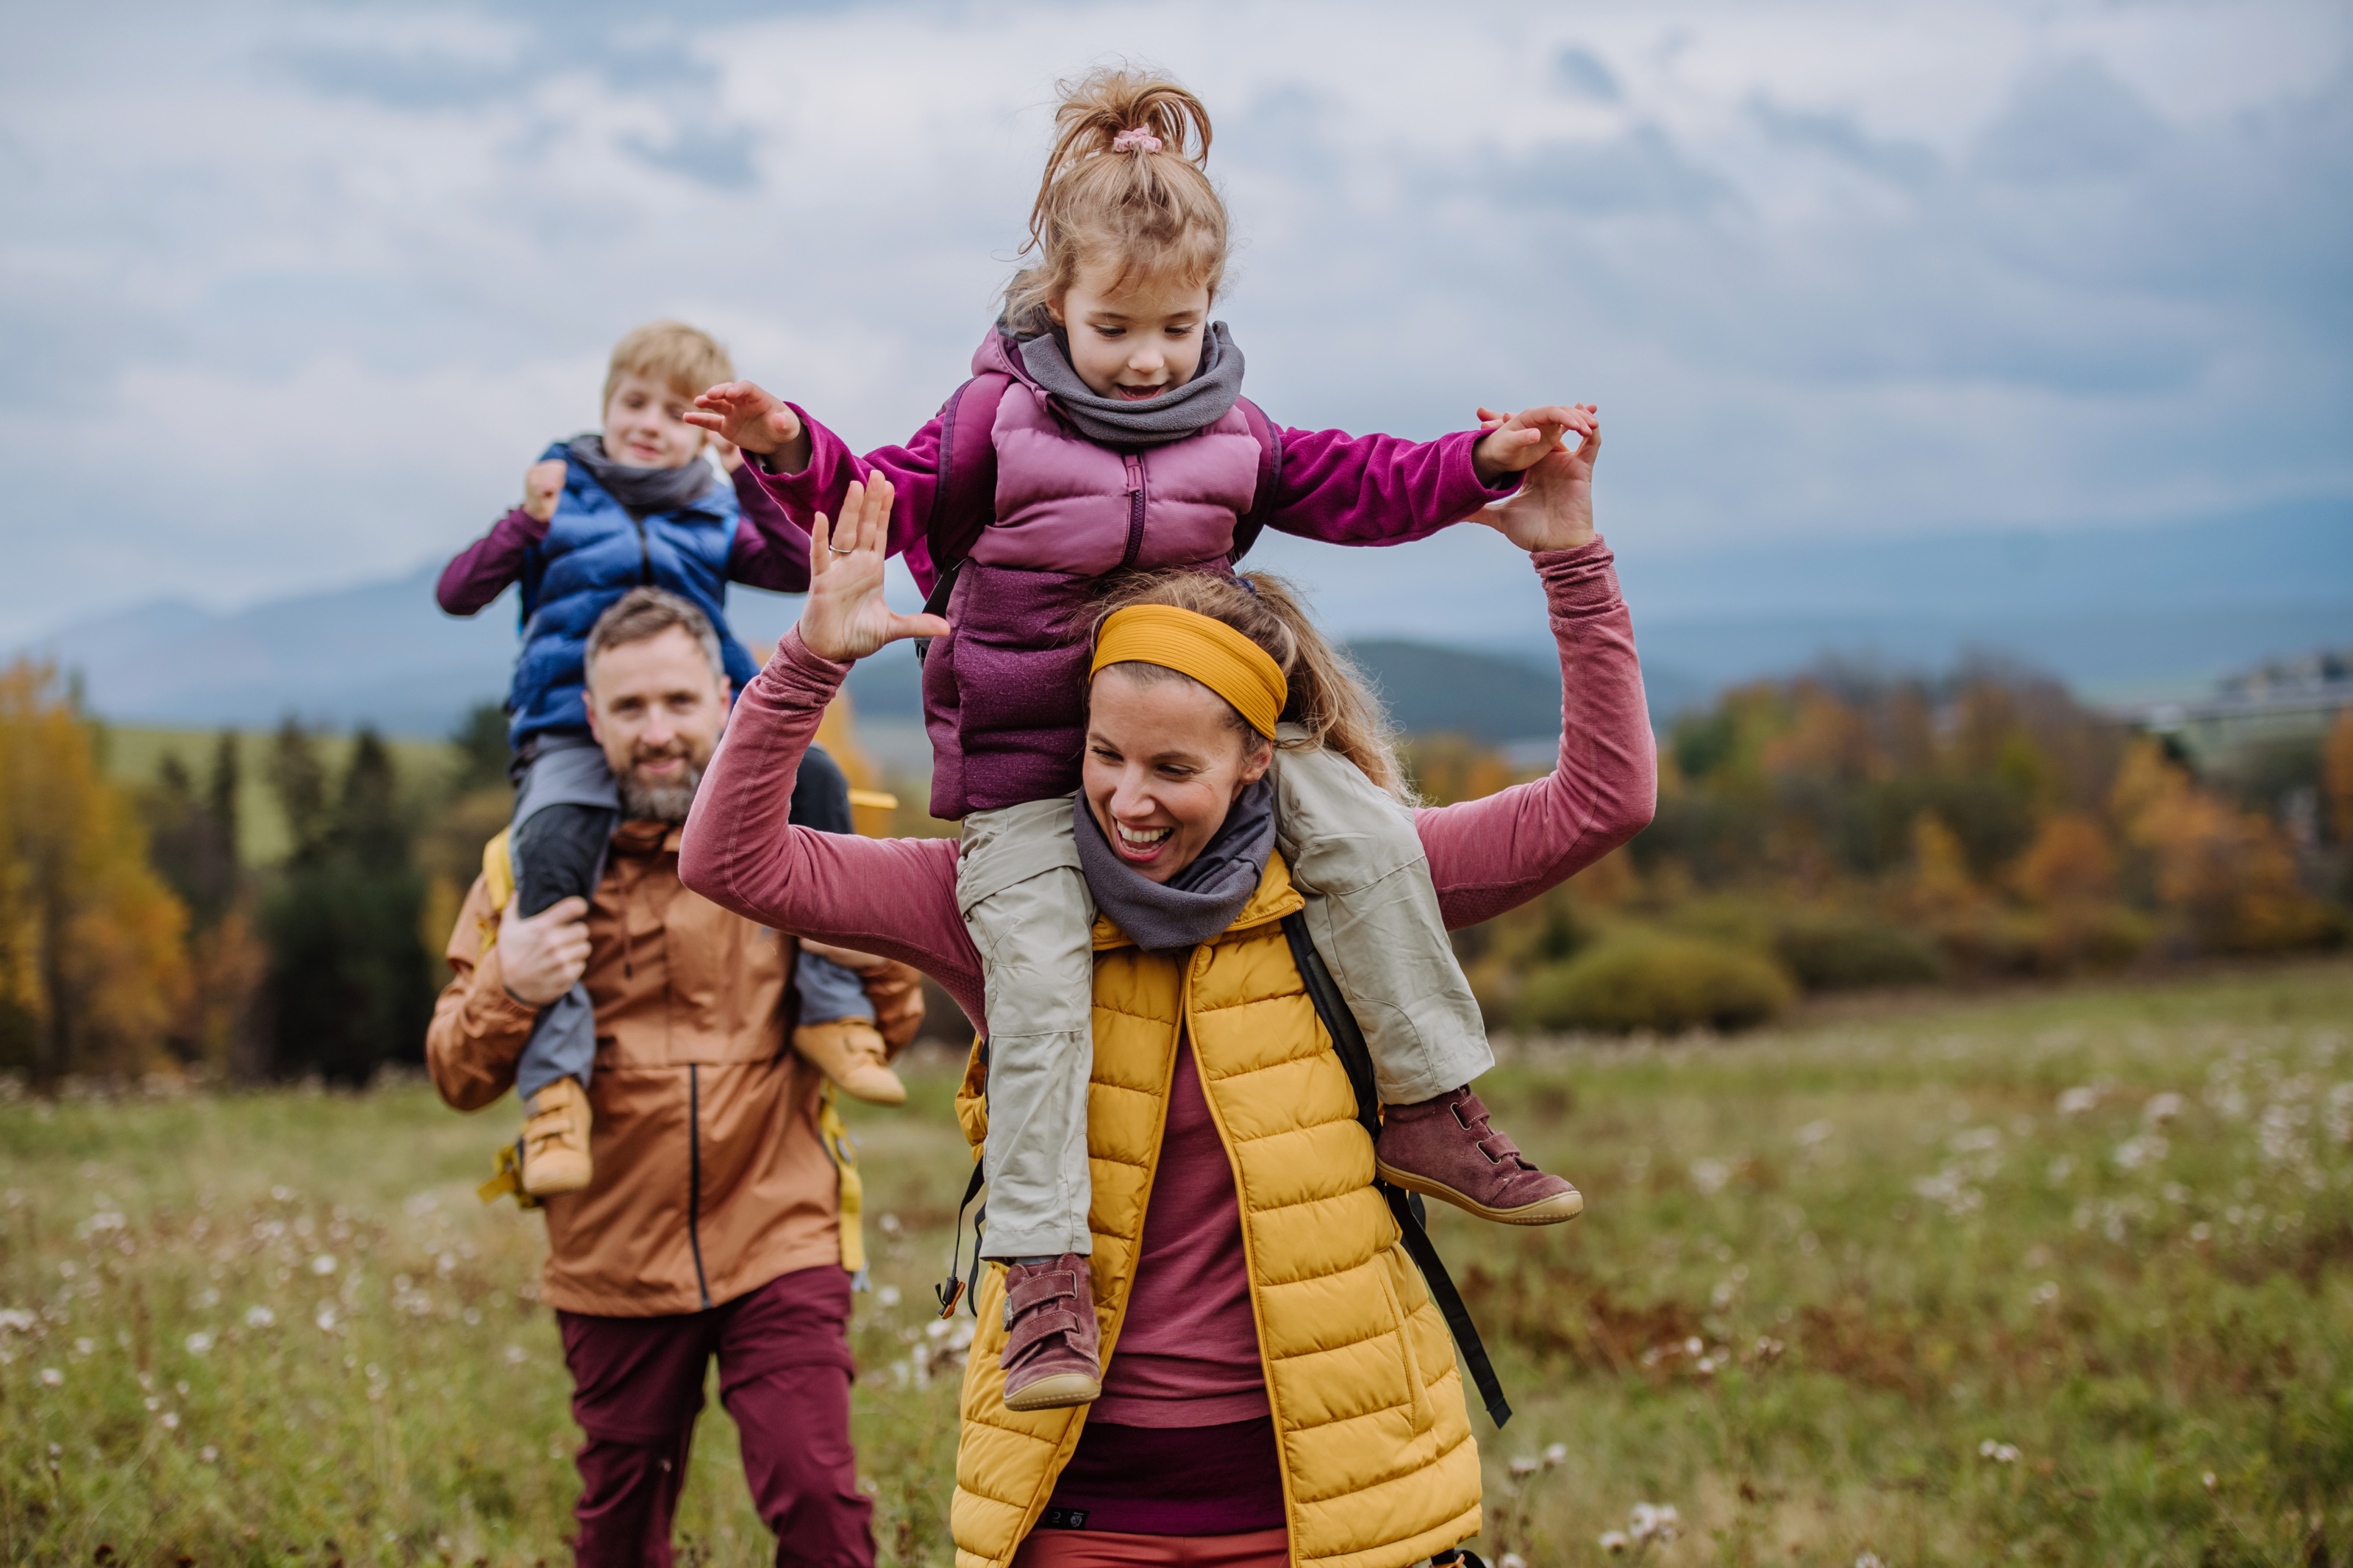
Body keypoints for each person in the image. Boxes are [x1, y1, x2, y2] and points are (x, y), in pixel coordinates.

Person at [686, 68, 1592, 1408]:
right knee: (1042, 991)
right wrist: (781, 443)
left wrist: (1484, 464)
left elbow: (1357, 480)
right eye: (1116, 326)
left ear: (1211, 310)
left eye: (1179, 325)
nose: (1151, 356)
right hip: (1028, 780)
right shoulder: (997, 420)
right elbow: (884, 493)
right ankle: (1046, 1268)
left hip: (1198, 752)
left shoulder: (1234, 429)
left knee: (1366, 838)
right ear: (1057, 307)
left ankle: (1429, 1102)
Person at [679, 407, 1652, 1567]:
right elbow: (734, 861)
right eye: (1104, 754)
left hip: (1342, 1508)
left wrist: (1571, 560)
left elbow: (1603, 802)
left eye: (1173, 768)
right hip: (1078, 1509)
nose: (1127, 800)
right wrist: (809, 662)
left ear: (1259, 755)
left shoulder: (1359, 878)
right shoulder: (1001, 900)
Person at [426, 588, 924, 1568]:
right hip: (610, 1255)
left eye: (678, 703)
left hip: (781, 1230)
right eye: (629, 708)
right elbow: (455, 1072)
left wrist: (869, 953)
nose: (657, 733)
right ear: (591, 717)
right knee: (619, 1531)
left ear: (726, 701)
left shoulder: (794, 839)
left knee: (822, 1502)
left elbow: (891, 1028)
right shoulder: (523, 866)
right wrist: (509, 984)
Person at [435, 320, 900, 1199]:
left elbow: (785, 562)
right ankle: (557, 1093)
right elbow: (458, 593)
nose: (649, 424)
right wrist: (519, 522)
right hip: (570, 723)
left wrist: (754, 482)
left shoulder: (708, 505)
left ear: (705, 436)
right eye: (633, 402)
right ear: (605, 406)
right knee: (551, 853)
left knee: (821, 784)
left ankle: (832, 1009)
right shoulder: (559, 494)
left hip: (704, 717)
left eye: (674, 413)